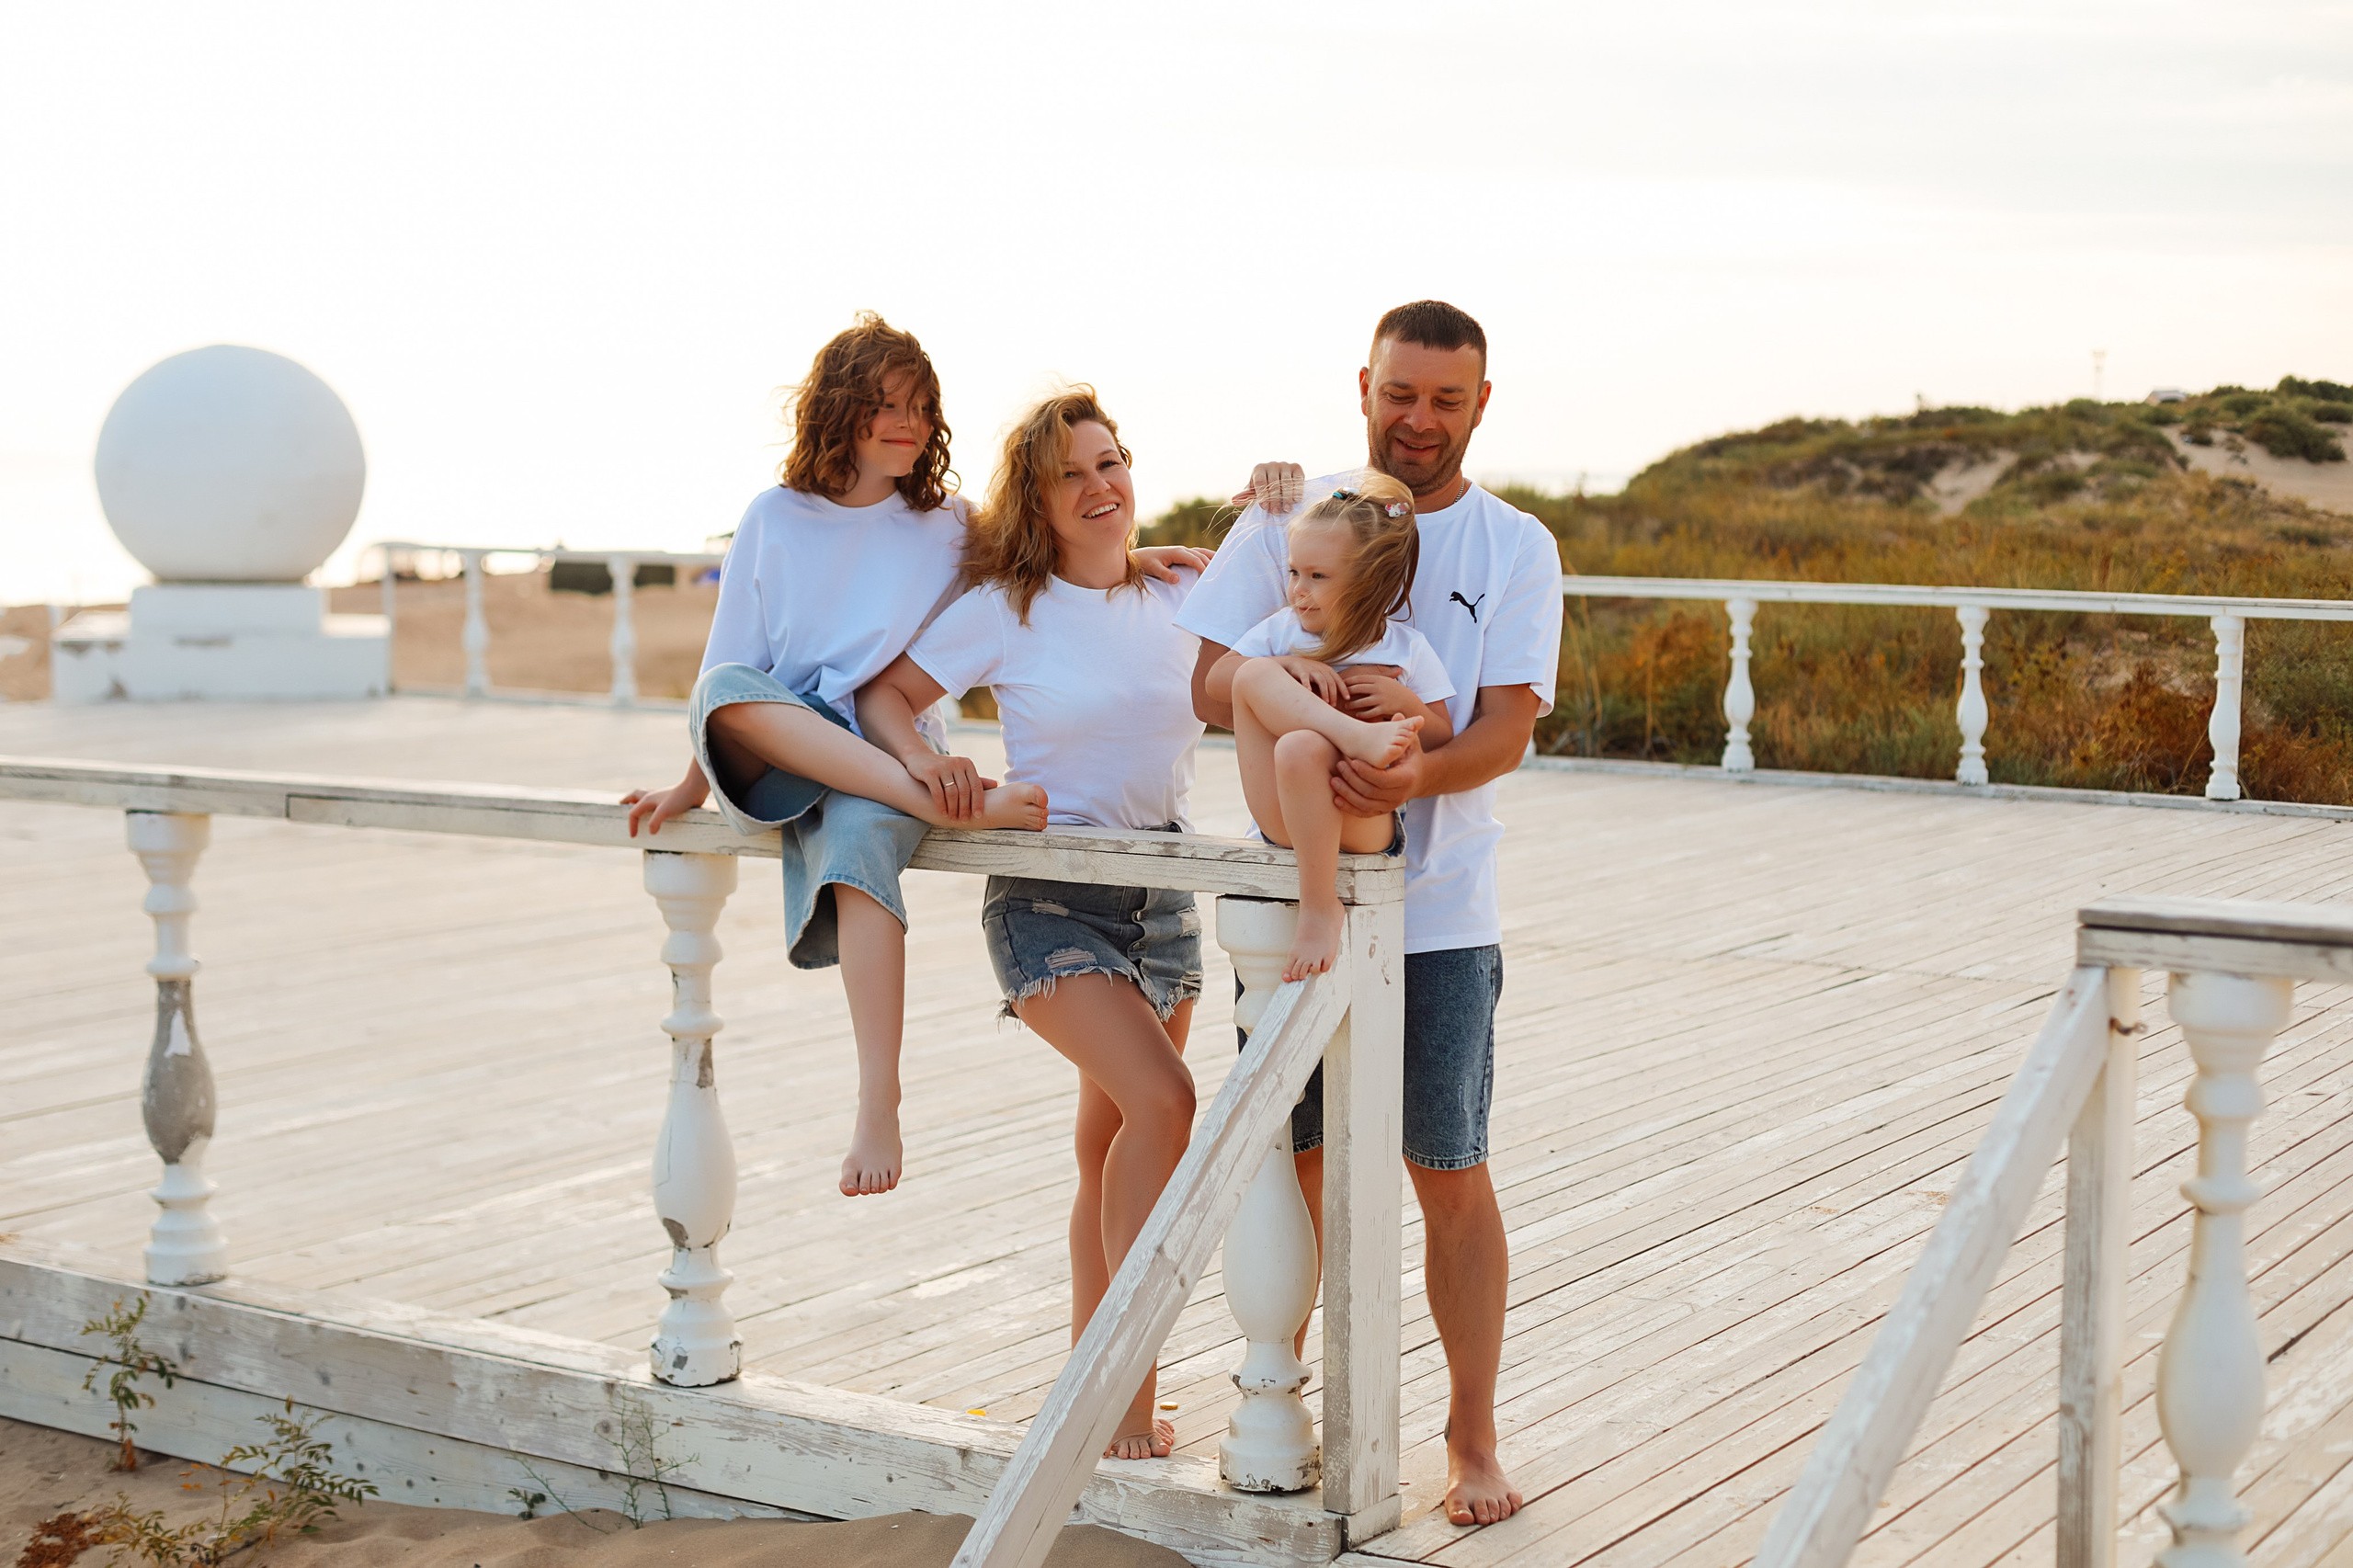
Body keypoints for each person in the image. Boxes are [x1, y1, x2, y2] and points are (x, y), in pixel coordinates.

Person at [620, 317, 1202, 1199]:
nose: (906, 423)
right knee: (728, 691)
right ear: (838, 412)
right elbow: (724, 662)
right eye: (885, 405)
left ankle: (878, 1098)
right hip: (789, 742)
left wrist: (1140, 560)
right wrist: (690, 783)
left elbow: (1049, 555)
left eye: (920, 407)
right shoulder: (775, 518)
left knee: (858, 840)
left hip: (893, 760)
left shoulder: (947, 525)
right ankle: (923, 803)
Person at [1178, 300, 1563, 1527]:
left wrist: (1408, 772)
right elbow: (1209, 677)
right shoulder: (1292, 517)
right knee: (1289, 1158)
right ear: (1365, 385)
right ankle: (1279, 1408)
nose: (1421, 418)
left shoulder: (1514, 546)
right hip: (1295, 901)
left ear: (1481, 406)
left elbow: (1499, 725)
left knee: (1447, 1166)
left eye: (1448, 399)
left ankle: (1471, 1435)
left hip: (1444, 911)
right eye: (1403, 391)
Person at [858, 389, 1207, 1461]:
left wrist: (1257, 518)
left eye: (1112, 462)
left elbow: (1307, 592)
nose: (1101, 486)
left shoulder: (1184, 592)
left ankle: (1087, 1377)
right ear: (1040, 502)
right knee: (1165, 1104)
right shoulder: (1006, 608)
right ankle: (1124, 1393)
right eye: (1073, 474)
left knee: (1109, 1147)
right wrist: (930, 759)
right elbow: (882, 698)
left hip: (1165, 907)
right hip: (1048, 904)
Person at [1201, 471, 1454, 982]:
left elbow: (1441, 736)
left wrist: (1407, 703)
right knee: (1253, 674)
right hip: (1284, 816)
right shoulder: (1282, 632)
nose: (1299, 590)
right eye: (1294, 573)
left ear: (1368, 581)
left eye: (1318, 577)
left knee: (1301, 747)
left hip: (1360, 817)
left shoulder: (1403, 649)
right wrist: (1287, 665)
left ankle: (1321, 907)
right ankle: (1354, 737)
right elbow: (1215, 682)